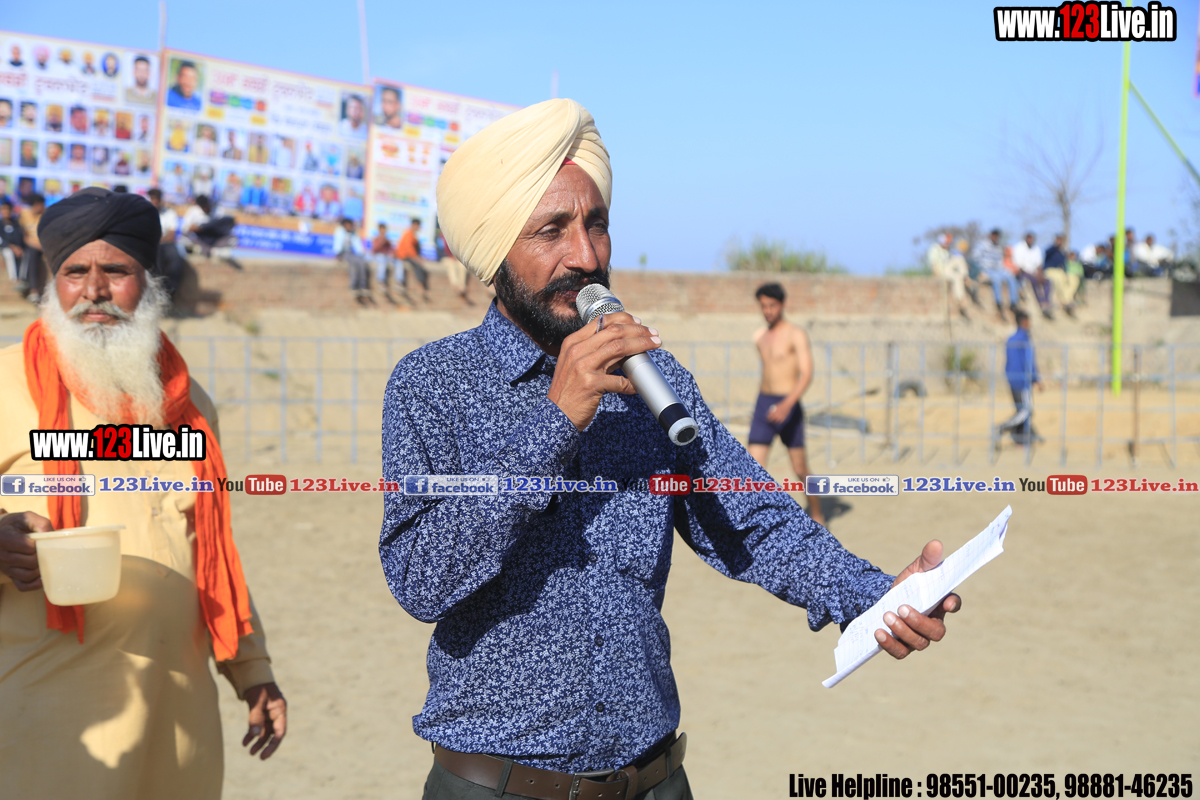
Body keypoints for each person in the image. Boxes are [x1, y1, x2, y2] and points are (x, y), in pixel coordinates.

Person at [380, 98, 961, 800]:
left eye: (597, 224)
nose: (587, 257)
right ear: (496, 251)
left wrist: (875, 596)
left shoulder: (653, 380)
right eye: (552, 231)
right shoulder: (433, 385)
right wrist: (555, 422)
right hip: (497, 787)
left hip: (655, 780)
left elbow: (754, 520)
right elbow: (421, 578)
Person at [0, 188, 285, 798]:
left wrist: (251, 669)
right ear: (53, 283)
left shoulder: (189, 404)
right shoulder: (6, 384)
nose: (94, 290)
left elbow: (209, 546)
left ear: (148, 281)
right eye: (75, 272)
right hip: (50, 718)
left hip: (179, 714)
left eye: (116, 271)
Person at [748, 282, 824, 525]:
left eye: (772, 305)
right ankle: (759, 521)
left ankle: (818, 514)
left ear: (781, 305)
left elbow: (806, 374)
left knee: (800, 468)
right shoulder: (760, 337)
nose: (767, 310)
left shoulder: (795, 334)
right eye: (763, 306)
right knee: (753, 468)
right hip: (763, 404)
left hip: (788, 405)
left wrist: (787, 404)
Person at [995, 310, 1043, 446]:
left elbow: (1009, 361)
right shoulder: (1025, 340)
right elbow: (1028, 361)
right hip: (1022, 381)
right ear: (1024, 322)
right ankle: (1001, 428)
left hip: (1012, 379)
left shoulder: (1010, 339)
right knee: (1026, 411)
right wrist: (1036, 379)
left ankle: (1020, 440)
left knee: (1021, 410)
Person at [972, 227, 1019, 321]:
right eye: (994, 235)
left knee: (1011, 277)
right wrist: (980, 270)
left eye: (997, 236)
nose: (995, 237)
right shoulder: (982, 245)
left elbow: (1000, 262)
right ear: (991, 236)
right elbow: (975, 258)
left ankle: (1013, 302)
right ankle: (998, 302)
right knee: (997, 279)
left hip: (998, 269)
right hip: (986, 269)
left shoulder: (999, 247)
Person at [148, 187, 186, 296]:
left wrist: (158, 239)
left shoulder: (169, 213)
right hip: (150, 244)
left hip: (165, 244)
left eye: (156, 199)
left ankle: (170, 292)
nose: (154, 202)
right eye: (152, 199)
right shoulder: (145, 213)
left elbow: (171, 235)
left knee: (176, 260)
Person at [1011, 231, 1050, 318]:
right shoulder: (1019, 247)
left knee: (1047, 281)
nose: (1030, 240)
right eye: (1029, 238)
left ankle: (1046, 302)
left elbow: (1039, 264)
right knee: (1033, 281)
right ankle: (1040, 302)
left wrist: (1040, 275)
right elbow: (1019, 266)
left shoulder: (1036, 249)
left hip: (1034, 273)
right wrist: (1034, 276)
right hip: (1022, 273)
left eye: (1032, 238)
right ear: (1025, 238)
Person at [333, 217, 370, 303]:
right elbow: (338, 243)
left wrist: (362, 253)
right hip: (343, 253)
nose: (349, 227)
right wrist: (338, 254)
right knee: (353, 263)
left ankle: (362, 285)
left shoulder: (353, 233)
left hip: (350, 253)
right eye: (348, 225)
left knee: (361, 261)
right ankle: (354, 286)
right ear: (344, 225)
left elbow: (358, 245)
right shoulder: (340, 231)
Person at [17, 193, 46, 302]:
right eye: (41, 204)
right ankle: (33, 291)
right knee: (32, 255)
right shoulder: (24, 215)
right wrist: (37, 246)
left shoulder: (46, 215)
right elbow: (23, 236)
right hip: (31, 246)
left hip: (44, 245)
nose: (42, 207)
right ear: (36, 204)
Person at [1042, 234, 1077, 318]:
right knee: (1059, 279)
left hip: (1060, 271)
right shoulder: (1051, 250)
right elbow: (1046, 253)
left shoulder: (1062, 253)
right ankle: (1065, 301)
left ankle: (1068, 299)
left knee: (1073, 279)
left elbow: (1064, 264)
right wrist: (1055, 245)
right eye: (1059, 240)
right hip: (1050, 270)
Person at [395, 217, 428, 301]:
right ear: (414, 225)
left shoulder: (413, 235)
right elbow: (408, 249)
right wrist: (416, 258)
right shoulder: (408, 234)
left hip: (408, 256)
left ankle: (421, 284)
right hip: (404, 256)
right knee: (417, 265)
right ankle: (420, 285)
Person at [371, 222, 400, 300]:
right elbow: (374, 250)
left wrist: (393, 253)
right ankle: (381, 281)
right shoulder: (376, 239)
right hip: (379, 256)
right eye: (382, 229)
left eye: (384, 230)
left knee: (398, 261)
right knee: (382, 260)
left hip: (386, 256)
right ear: (379, 230)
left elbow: (391, 250)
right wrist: (382, 241)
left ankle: (399, 282)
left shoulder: (387, 240)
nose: (383, 231)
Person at [1, 199, 25, 283]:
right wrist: (12, 247)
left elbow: (20, 236)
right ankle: (14, 279)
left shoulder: (16, 223)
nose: (6, 212)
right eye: (4, 209)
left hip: (17, 247)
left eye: (7, 209)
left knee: (25, 253)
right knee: (8, 253)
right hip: (5, 247)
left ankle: (22, 278)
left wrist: (18, 247)